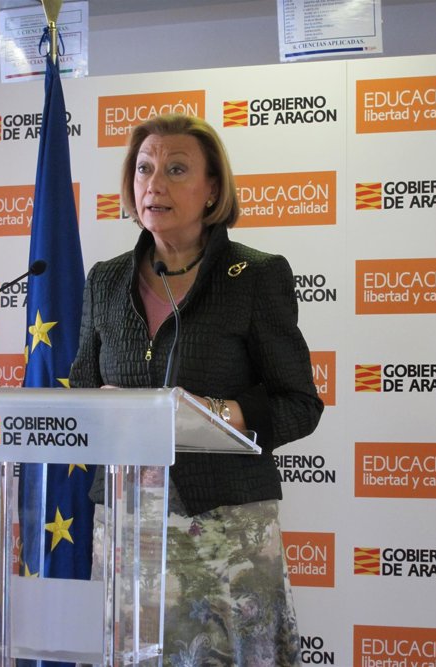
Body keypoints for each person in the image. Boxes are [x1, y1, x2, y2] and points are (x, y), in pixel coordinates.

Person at [69, 113, 324, 666]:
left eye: (176, 169)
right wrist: (97, 406)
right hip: (128, 526)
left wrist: (216, 412)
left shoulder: (254, 276)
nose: (154, 184)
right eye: (144, 168)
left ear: (212, 190)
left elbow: (300, 405)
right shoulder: (105, 279)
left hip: (225, 534)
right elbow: (82, 388)